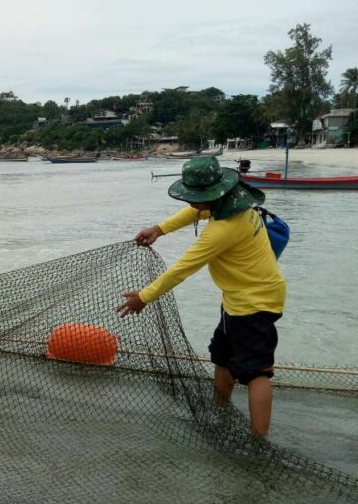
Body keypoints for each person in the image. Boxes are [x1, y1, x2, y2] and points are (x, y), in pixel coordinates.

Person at [117, 157, 286, 436]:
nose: (191, 203)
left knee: (257, 372)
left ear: (211, 194)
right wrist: (159, 229)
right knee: (222, 356)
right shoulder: (233, 202)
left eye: (195, 197)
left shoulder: (224, 229)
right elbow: (196, 214)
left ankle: (259, 442)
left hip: (256, 304)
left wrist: (144, 297)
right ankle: (220, 411)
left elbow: (182, 269)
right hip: (237, 298)